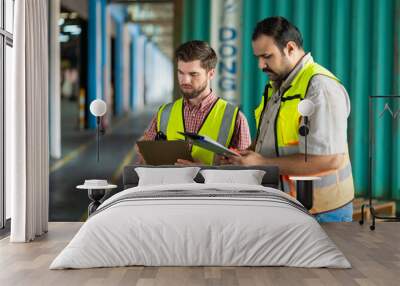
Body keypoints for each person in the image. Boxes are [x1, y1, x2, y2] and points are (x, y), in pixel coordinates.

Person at [226, 17, 354, 222]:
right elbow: (276, 141)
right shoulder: (277, 85)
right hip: (288, 206)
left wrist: (262, 162)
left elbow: (330, 158)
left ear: (290, 48)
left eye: (267, 56)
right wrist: (246, 155)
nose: (261, 65)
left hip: (322, 213)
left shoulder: (319, 88)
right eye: (258, 57)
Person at [137, 40, 251, 165]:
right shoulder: (164, 113)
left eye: (193, 74)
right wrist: (145, 152)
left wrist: (203, 171)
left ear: (211, 74)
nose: (185, 80)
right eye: (180, 73)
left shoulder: (235, 118)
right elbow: (144, 162)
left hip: (212, 185)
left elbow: (244, 174)